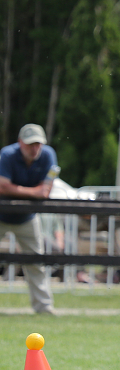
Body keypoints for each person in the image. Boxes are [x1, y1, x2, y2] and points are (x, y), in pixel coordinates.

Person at [0, 124, 57, 314]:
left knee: (36, 263)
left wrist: (16, 190)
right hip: (1, 216)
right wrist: (33, 192)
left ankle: (44, 308)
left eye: (38, 144)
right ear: (20, 143)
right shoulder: (7, 155)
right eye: (30, 144)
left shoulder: (48, 155)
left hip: (27, 218)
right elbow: (2, 187)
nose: (35, 149)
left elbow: (46, 191)